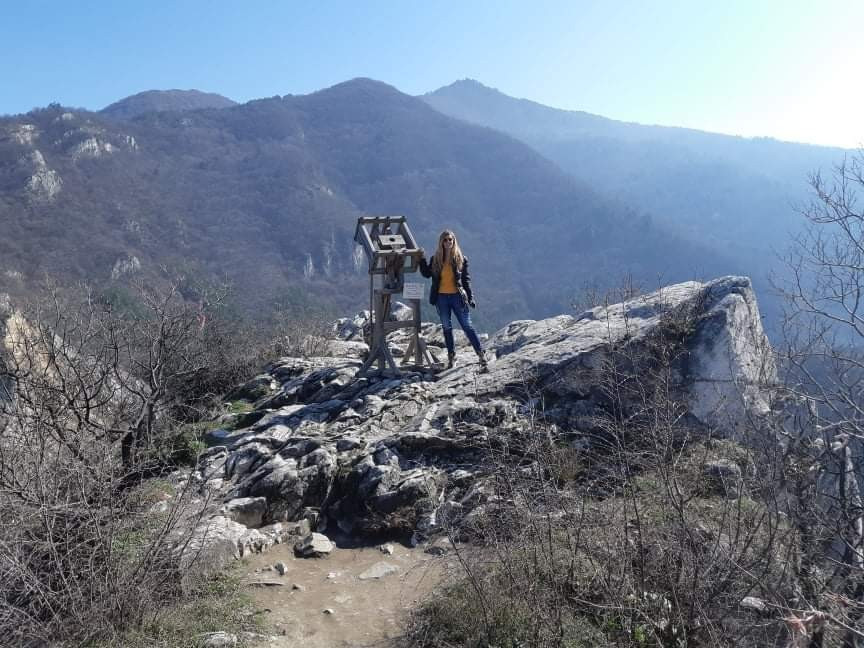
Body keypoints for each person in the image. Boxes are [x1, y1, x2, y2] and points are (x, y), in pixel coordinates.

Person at [418, 230, 487, 371]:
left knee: (467, 326)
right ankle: (451, 357)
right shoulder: (436, 259)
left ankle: (481, 355)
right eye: (445, 240)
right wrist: (421, 259)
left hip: (457, 297)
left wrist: (471, 296)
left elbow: (466, 280)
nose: (448, 242)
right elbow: (426, 274)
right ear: (441, 242)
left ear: (454, 241)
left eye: (451, 239)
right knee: (447, 328)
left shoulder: (461, 259)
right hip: (441, 298)